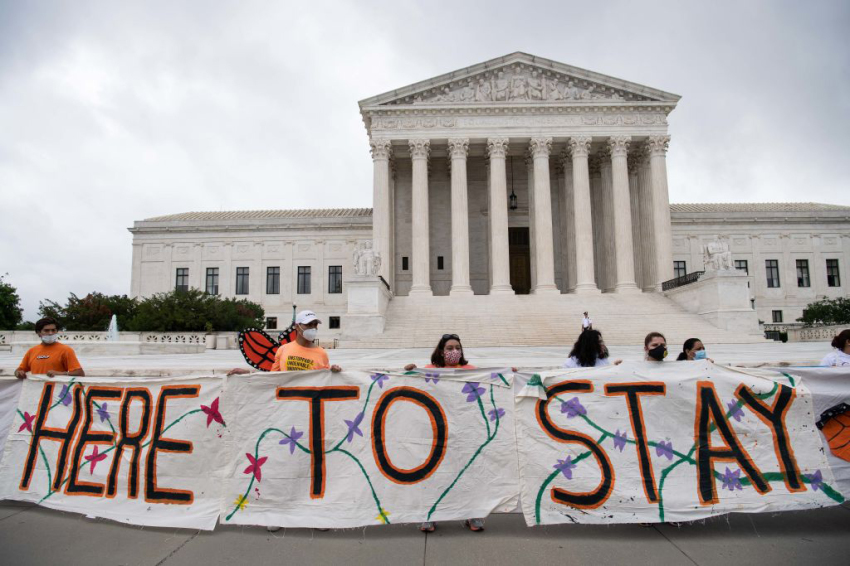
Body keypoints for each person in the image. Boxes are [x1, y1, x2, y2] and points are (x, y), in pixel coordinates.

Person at [404, 334, 483, 533]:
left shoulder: (470, 370)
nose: (454, 351)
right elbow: (408, 385)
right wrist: (409, 372)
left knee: (468, 472)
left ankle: (473, 514)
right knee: (434, 474)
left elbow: (493, 382)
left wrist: (509, 373)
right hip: (436, 430)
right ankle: (429, 515)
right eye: (449, 348)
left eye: (457, 347)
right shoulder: (429, 370)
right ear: (441, 351)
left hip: (465, 430)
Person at [228, 310, 342, 376]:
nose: (313, 328)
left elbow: (326, 381)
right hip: (286, 407)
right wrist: (246, 374)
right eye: (308, 324)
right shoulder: (283, 350)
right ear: (297, 327)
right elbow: (271, 378)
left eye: (315, 324)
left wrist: (336, 372)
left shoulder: (322, 353)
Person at [15, 317, 84, 379]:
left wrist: (60, 374)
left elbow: (80, 373)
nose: (50, 333)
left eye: (53, 330)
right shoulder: (32, 351)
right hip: (36, 391)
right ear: (39, 332)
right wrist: (18, 373)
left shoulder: (66, 350)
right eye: (46, 330)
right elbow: (19, 370)